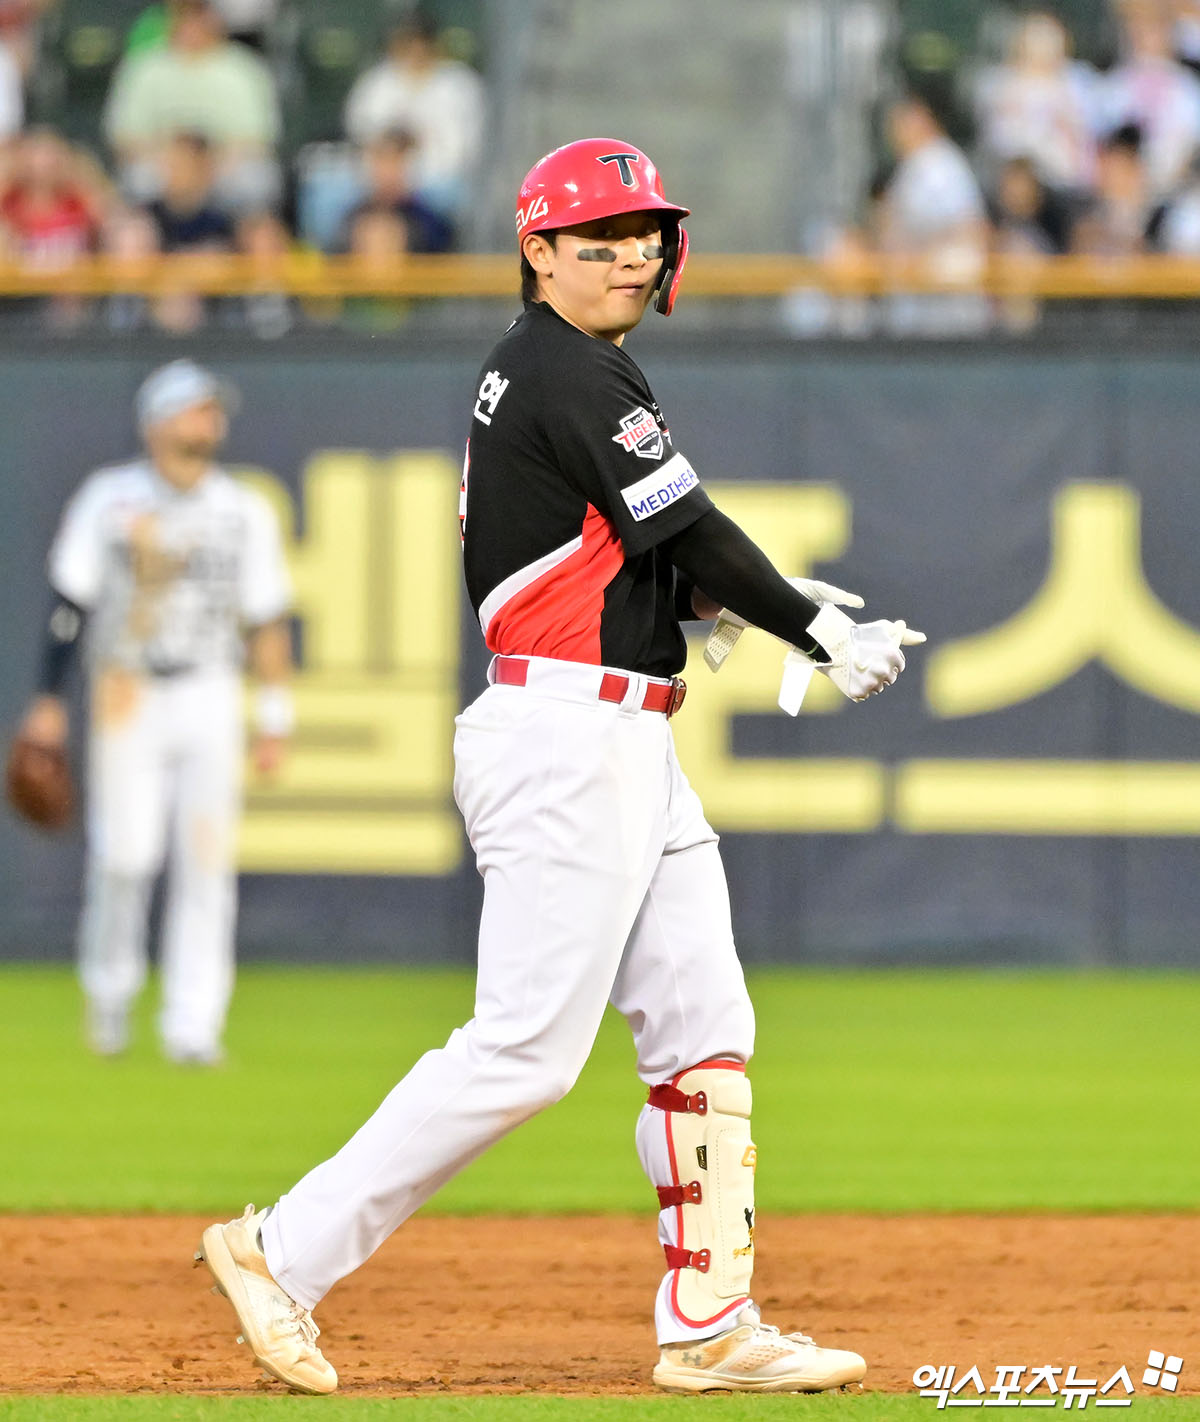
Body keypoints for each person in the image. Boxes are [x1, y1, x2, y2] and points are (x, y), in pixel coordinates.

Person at [195, 137, 923, 1396]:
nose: (634, 255)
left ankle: (710, 1323)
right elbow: (685, 522)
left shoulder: (558, 365)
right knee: (525, 1050)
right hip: (566, 740)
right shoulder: (567, 368)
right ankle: (281, 1250)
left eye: (646, 234)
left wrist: (716, 605)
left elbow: (610, 555)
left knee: (706, 1024)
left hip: (620, 732)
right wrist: (813, 627)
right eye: (603, 238)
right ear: (538, 252)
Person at [14, 360, 294, 1065]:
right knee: (125, 855)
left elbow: (265, 618)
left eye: (212, 409)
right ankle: (110, 999)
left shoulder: (243, 508)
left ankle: (192, 1024)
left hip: (210, 687)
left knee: (206, 859)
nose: (210, 420)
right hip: (127, 688)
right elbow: (70, 603)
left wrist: (275, 714)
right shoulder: (109, 499)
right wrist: (48, 700)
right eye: (196, 408)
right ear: (157, 421)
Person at [104, 0, 282, 215]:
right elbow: (124, 137)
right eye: (186, 18)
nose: (192, 26)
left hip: (224, 165)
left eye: (199, 18)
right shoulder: (145, 66)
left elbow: (259, 140)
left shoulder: (243, 68)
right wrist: (176, 162)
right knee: (139, 178)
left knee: (255, 180)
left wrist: (205, 165)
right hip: (162, 163)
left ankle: (238, 235)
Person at [342, 14, 484, 218]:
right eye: (405, 42)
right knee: (330, 193)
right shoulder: (376, 83)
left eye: (418, 42)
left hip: (435, 180)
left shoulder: (459, 84)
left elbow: (461, 153)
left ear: (432, 44)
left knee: (451, 194)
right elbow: (362, 137)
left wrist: (410, 173)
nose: (413, 50)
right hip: (377, 181)